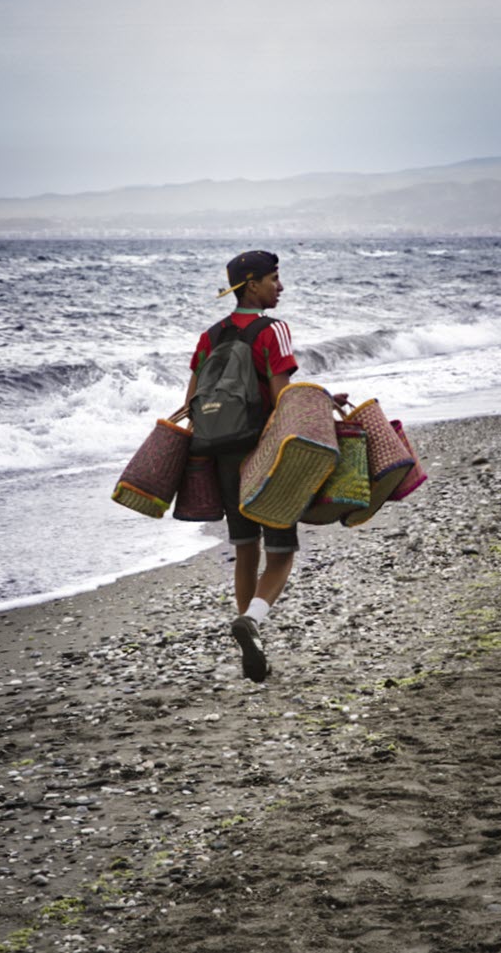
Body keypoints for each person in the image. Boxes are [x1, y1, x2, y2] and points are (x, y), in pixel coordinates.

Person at [185, 250, 298, 683]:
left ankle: (250, 635)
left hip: (223, 453)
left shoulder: (210, 335)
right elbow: (283, 400)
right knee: (282, 552)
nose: (280, 287)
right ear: (252, 284)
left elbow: (191, 400)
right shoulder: (275, 331)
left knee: (245, 547)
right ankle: (252, 622)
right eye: (274, 279)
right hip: (264, 453)